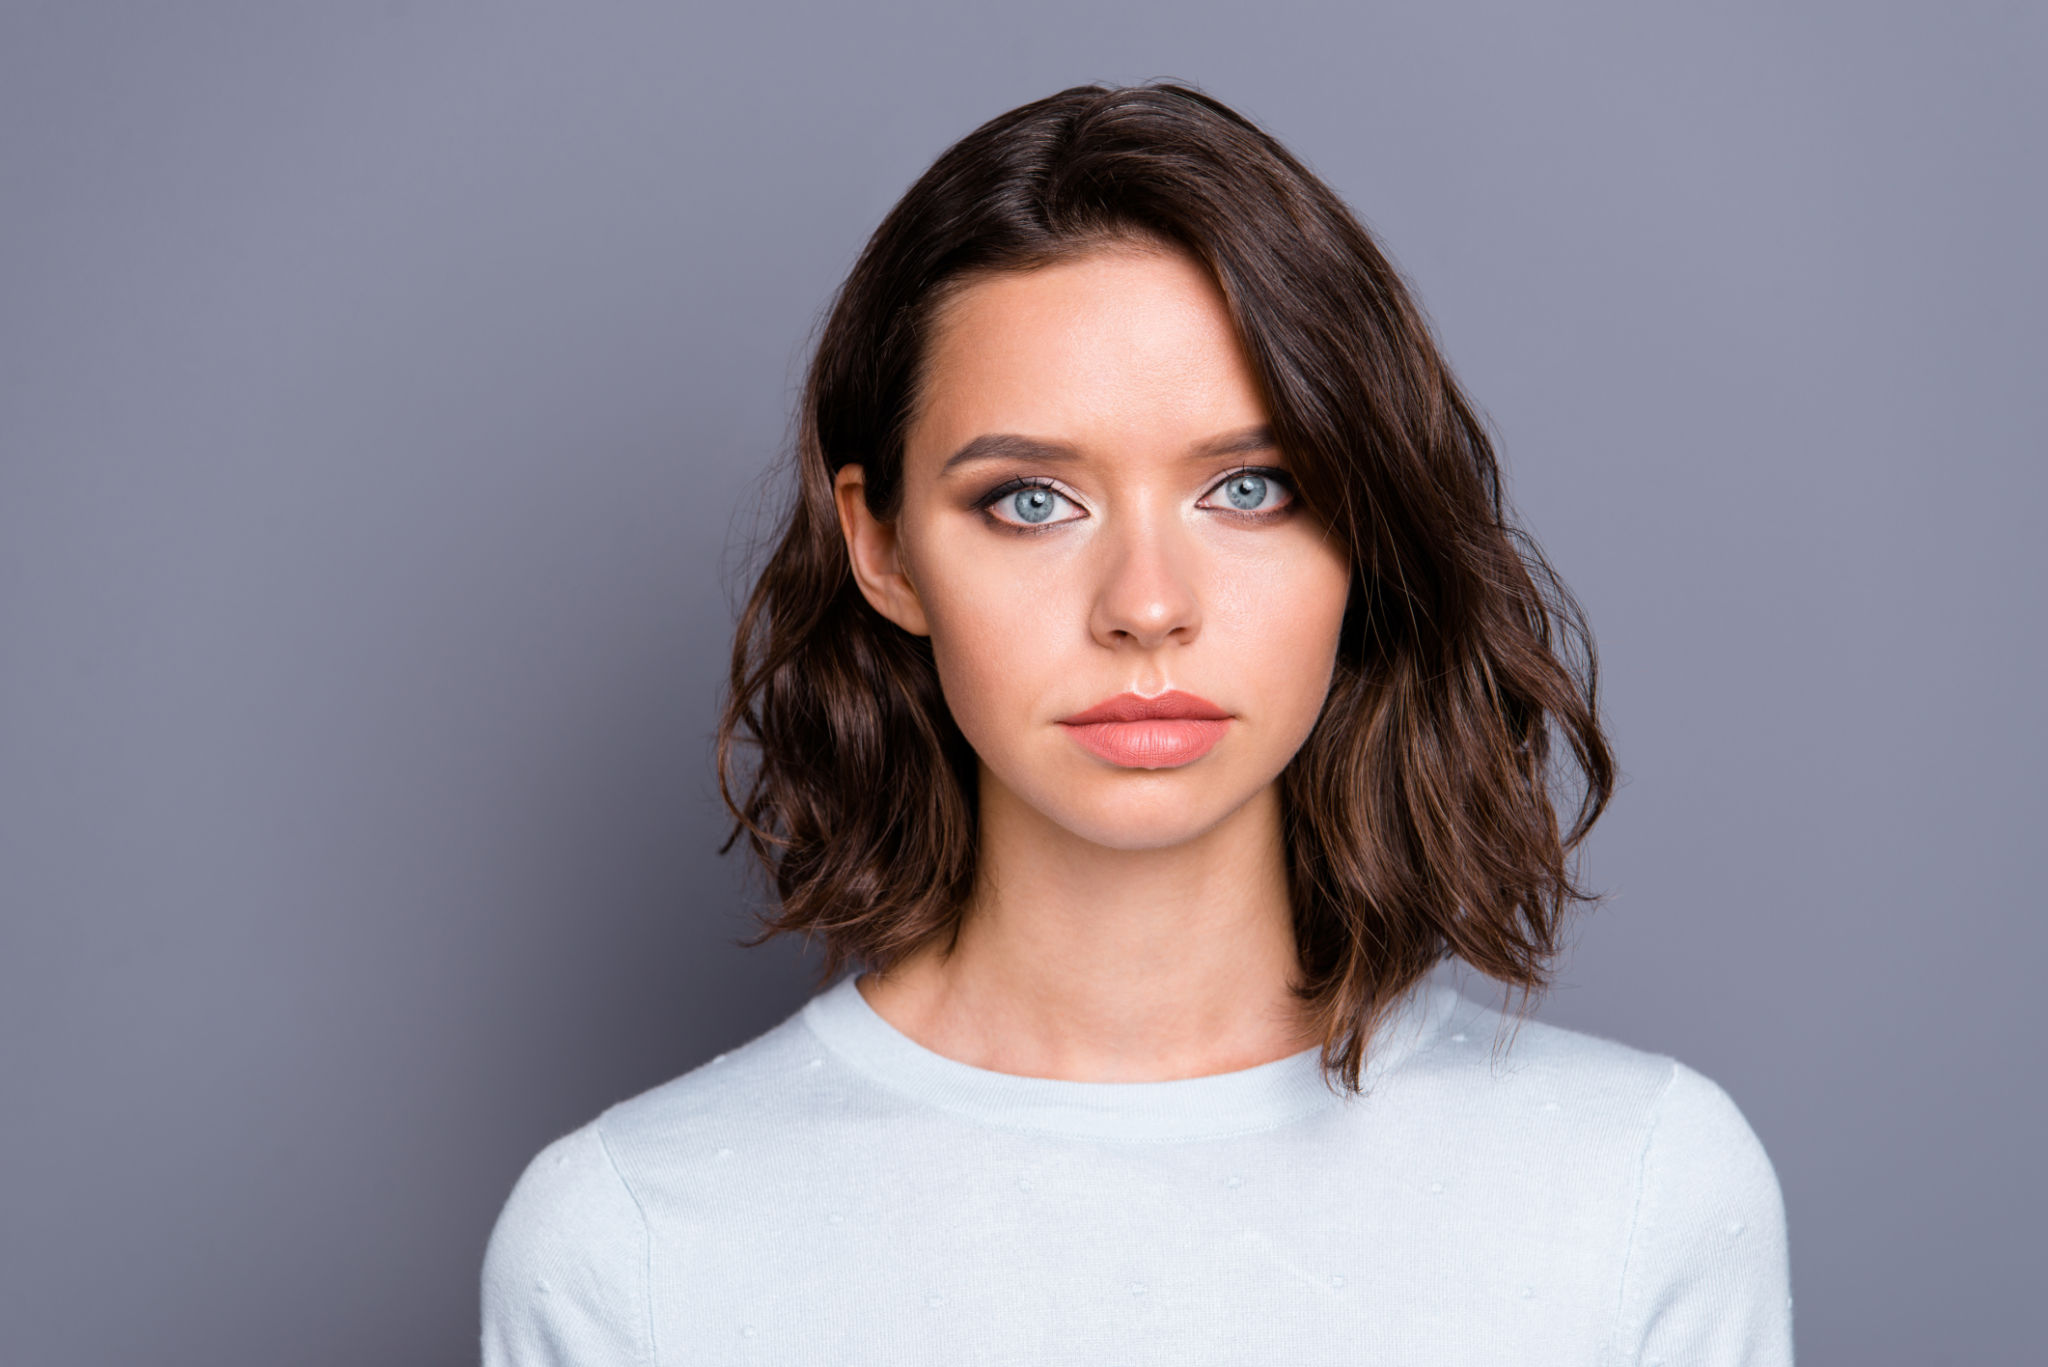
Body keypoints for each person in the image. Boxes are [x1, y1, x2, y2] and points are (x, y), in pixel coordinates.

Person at [480, 82, 1794, 1365]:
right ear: (880, 547)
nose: (1148, 607)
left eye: (1251, 487)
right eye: (1033, 502)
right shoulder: (633, 1245)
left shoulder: (1635, 1195)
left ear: (1364, 530)